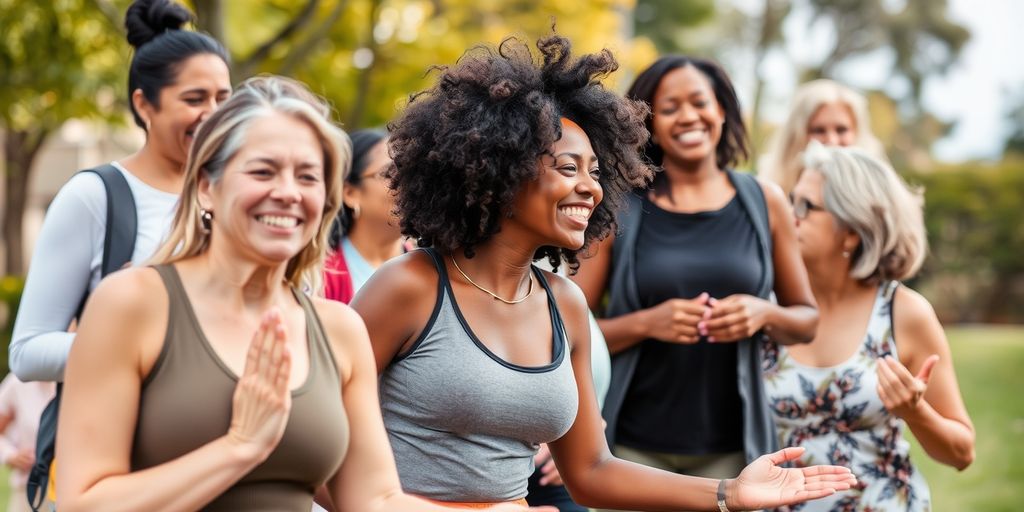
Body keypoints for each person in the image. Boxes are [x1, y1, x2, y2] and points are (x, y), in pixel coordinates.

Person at [353, 35, 855, 511]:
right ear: (499, 169)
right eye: (568, 168)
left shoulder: (564, 305)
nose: (590, 190)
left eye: (595, 172)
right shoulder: (410, 286)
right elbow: (328, 451)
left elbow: (592, 469)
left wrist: (729, 493)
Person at [54, 76, 540, 512]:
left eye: (307, 176)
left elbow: (373, 500)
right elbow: (85, 503)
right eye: (263, 172)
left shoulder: (338, 329)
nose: (288, 192)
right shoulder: (133, 303)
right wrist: (239, 447)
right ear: (206, 186)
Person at [570, 56, 819, 501]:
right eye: (669, 108)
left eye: (699, 101)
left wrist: (762, 313)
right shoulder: (618, 206)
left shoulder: (765, 202)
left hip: (734, 448)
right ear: (648, 125)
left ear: (721, 109)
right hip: (628, 446)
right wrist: (648, 323)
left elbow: (806, 320)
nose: (688, 116)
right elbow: (570, 330)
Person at [9, 0, 231, 382]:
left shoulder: (239, 193)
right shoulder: (96, 196)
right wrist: (145, 341)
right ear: (145, 105)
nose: (212, 114)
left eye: (223, 100)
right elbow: (28, 352)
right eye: (195, 99)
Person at [763, 142, 975, 511]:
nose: (788, 215)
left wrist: (915, 411)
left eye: (805, 207)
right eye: (789, 200)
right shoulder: (765, 303)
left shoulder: (904, 313)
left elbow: (962, 452)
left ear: (851, 231)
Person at [758, 79, 887, 195]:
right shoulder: (768, 196)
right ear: (795, 137)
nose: (832, 141)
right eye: (818, 130)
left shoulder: (878, 196)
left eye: (841, 130)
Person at [323, 129, 407, 303]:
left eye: (409, 171)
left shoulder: (435, 268)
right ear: (350, 193)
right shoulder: (319, 278)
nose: (407, 183)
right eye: (389, 173)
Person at [0, 374, 55, 512]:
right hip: (29, 490)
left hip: (72, 492)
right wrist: (10, 455)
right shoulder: (18, 381)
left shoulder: (78, 376)